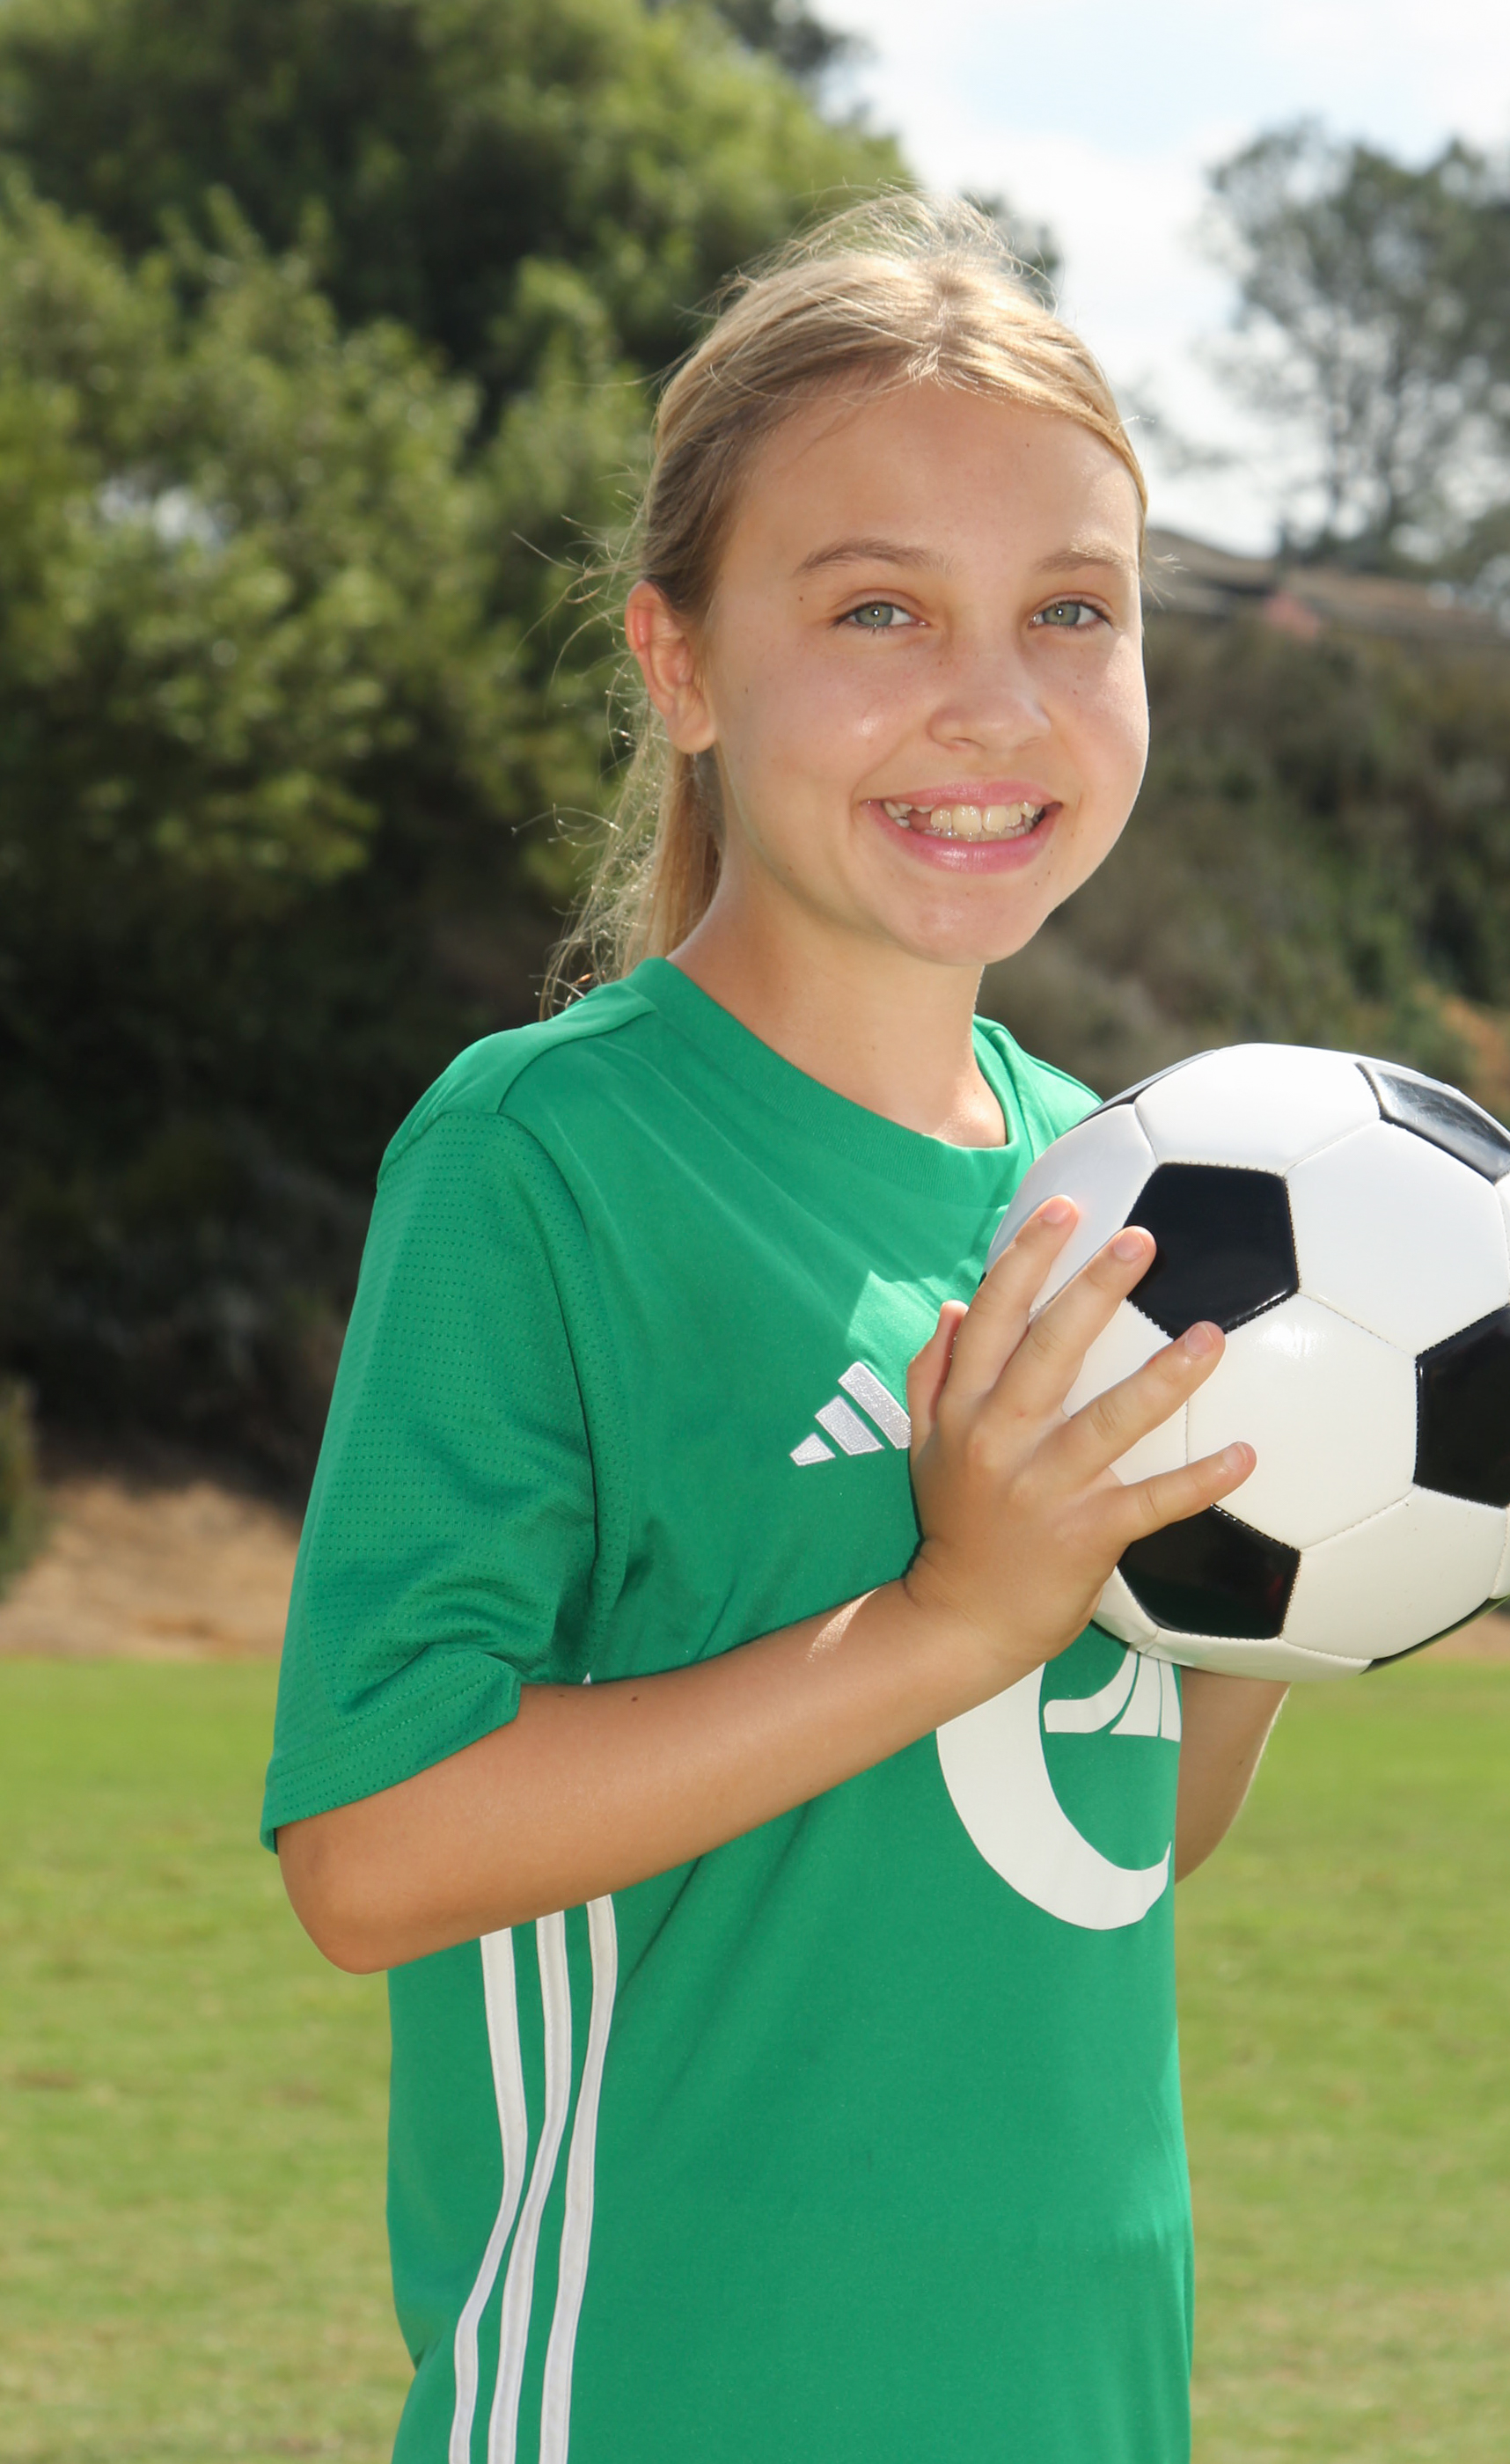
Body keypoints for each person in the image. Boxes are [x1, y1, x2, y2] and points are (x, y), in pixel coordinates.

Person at [267, 196, 1288, 2464]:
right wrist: (948, 1619)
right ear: (681, 664)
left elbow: (1116, 1835)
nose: (993, 699)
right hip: (666, 2395)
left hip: (1077, 2408)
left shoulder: (1132, 1192)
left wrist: (1304, 1588)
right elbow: (372, 1852)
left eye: (1073, 610)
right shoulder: (548, 1158)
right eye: (877, 609)